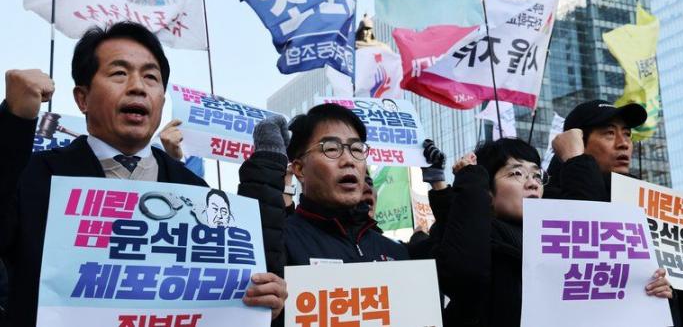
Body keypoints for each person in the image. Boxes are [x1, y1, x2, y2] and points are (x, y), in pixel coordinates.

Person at [0, 22, 285, 326]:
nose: (137, 86)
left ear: (162, 98)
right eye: (119, 73)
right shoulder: (34, 175)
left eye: (151, 77)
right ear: (82, 98)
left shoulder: (195, 190)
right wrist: (13, 122)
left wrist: (261, 303)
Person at [432, 138, 672, 327]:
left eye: (537, 175)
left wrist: (645, 289)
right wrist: (471, 184)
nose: (533, 183)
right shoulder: (479, 236)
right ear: (488, 193)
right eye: (516, 173)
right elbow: (465, 274)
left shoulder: (563, 242)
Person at [545, 100, 683, 326]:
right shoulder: (546, 200)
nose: (623, 143)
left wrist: (668, 294)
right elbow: (589, 246)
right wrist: (577, 162)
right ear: (576, 141)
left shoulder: (646, 207)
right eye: (609, 134)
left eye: (627, 134)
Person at [240, 103, 409, 267]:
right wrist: (268, 161)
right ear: (299, 169)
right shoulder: (279, 241)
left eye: (357, 149)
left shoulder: (397, 253)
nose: (349, 160)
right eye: (331, 148)